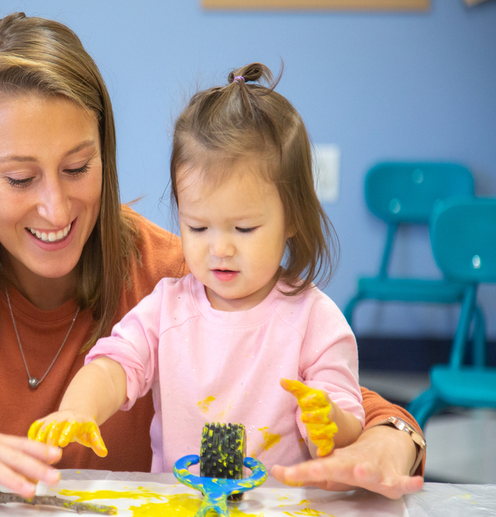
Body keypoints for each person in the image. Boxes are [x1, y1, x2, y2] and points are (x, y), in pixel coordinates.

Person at [0, 13, 424, 512]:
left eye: (78, 167)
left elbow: (361, 407)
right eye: (19, 178)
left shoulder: (176, 275)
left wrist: (389, 441)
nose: (55, 208)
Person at [29, 63, 365, 475]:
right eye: (197, 226)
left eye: (244, 228)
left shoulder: (314, 320)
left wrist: (331, 420)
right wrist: (78, 410)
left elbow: (350, 419)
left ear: (292, 218)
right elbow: (114, 367)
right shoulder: (168, 309)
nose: (219, 248)